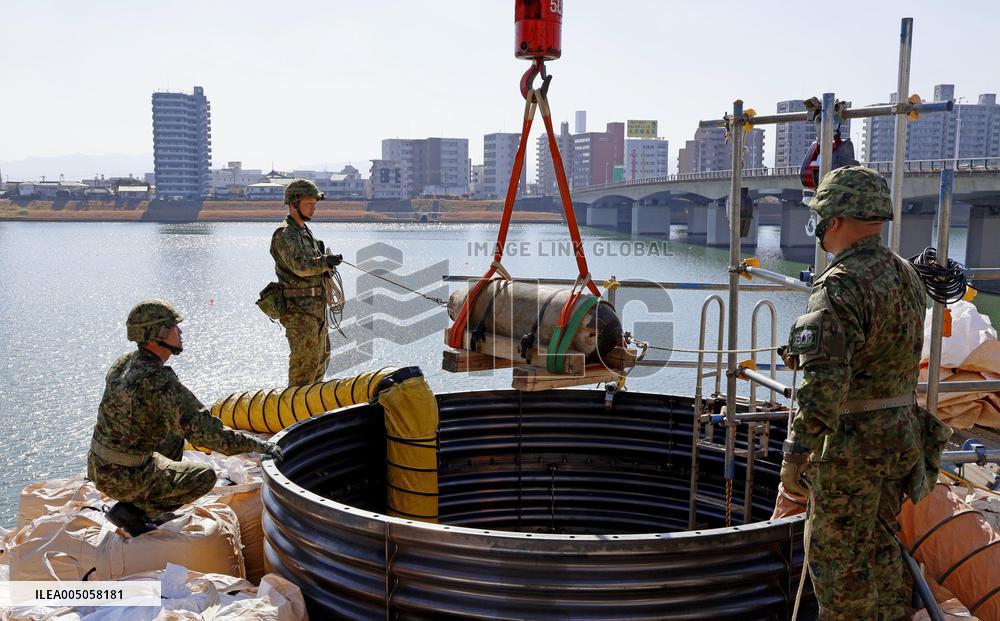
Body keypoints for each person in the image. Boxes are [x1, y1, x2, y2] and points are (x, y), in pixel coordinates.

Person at [778, 166, 931, 620]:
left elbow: (823, 386)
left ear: (837, 218)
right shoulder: (906, 275)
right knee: (881, 554)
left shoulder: (838, 285)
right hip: (900, 440)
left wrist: (796, 452)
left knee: (839, 565)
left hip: (851, 450)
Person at [88, 299, 283, 536]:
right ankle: (136, 512)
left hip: (99, 466)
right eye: (173, 326)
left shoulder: (124, 363)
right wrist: (260, 446)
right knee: (204, 477)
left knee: (173, 436)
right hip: (123, 477)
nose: (179, 331)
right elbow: (210, 435)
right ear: (157, 333)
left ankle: (138, 501)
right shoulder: (158, 381)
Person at [270, 179, 341, 386]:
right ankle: (295, 413)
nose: (313, 208)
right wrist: (324, 262)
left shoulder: (305, 233)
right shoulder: (284, 234)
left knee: (320, 362)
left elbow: (313, 266)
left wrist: (327, 265)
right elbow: (300, 267)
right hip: (299, 312)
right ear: (293, 204)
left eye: (314, 203)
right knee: (305, 366)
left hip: (316, 310)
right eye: (309, 203)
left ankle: (312, 411)